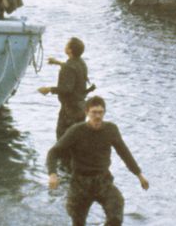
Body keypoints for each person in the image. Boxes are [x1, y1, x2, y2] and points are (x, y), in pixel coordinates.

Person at [46, 96, 149, 226]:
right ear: (86, 113)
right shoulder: (76, 131)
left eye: (100, 112)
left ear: (104, 113)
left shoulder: (111, 129)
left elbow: (124, 152)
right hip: (80, 182)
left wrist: (139, 175)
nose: (97, 116)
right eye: (94, 112)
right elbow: (54, 152)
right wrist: (52, 174)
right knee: (78, 221)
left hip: (103, 180)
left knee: (116, 211)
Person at [38, 37, 91, 140]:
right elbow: (72, 68)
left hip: (70, 111)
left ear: (70, 50)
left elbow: (66, 89)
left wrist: (49, 89)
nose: (65, 46)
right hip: (81, 108)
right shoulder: (81, 63)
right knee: (78, 139)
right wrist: (58, 63)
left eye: (67, 45)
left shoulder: (69, 67)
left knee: (63, 139)